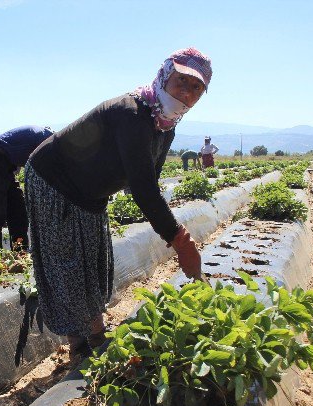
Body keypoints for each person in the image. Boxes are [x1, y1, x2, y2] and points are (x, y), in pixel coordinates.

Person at [25, 47, 211, 358]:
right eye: (182, 81)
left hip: (90, 190)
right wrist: (180, 239)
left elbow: (149, 178)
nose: (188, 92)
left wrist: (174, 232)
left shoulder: (165, 123)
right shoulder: (133, 113)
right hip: (53, 180)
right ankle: (82, 346)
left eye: (197, 87)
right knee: (68, 262)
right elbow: (143, 188)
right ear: (165, 76)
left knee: (95, 258)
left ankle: (95, 335)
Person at [0, 125, 54, 249]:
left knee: (18, 209)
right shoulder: (44, 140)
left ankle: (20, 251)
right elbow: (39, 173)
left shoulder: (44, 137)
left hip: (7, 163)